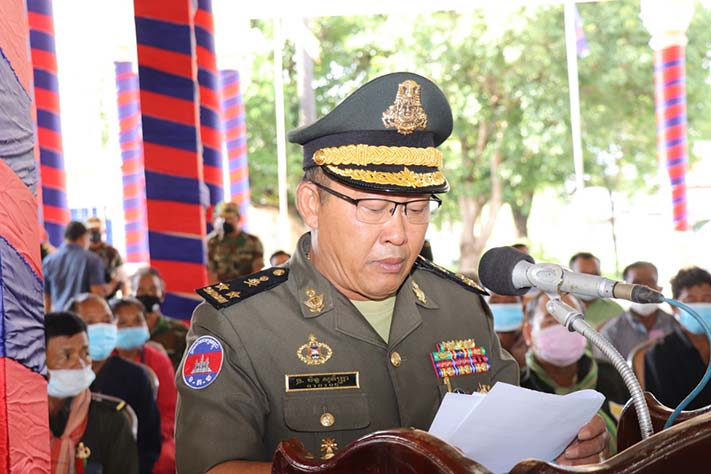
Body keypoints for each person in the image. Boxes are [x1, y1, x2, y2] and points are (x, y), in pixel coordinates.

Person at [174, 72, 608, 473]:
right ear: (311, 204)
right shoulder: (239, 324)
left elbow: (512, 441)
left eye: (417, 209)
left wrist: (556, 450)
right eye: (373, 207)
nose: (399, 234)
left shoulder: (461, 307)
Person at [520, 292, 629, 453]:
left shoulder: (612, 373)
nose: (563, 328)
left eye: (572, 321)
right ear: (528, 333)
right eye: (551, 321)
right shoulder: (519, 387)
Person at [68, 293, 162, 474]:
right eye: (90, 322)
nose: (102, 329)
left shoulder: (136, 377)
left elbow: (149, 445)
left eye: (107, 320)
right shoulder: (60, 378)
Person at [46, 311, 138, 473]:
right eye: (67, 356)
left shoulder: (111, 420)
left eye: (85, 353)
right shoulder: (17, 419)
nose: (81, 363)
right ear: (39, 361)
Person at [113, 297, 177, 474]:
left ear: (146, 324)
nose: (131, 327)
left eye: (137, 321)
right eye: (123, 323)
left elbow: (169, 411)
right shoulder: (104, 360)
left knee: (165, 459)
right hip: (111, 436)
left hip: (154, 435)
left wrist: (149, 437)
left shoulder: (158, 361)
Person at [644, 266, 711, 410]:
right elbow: (665, 410)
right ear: (674, 307)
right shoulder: (660, 353)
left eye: (707, 299)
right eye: (690, 300)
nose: (699, 306)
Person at [596, 261, 677, 359]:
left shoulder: (675, 326)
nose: (645, 290)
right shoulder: (610, 332)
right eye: (637, 284)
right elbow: (606, 367)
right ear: (624, 290)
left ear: (659, 288)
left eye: (650, 282)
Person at [42, 221, 107, 312]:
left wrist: (48, 318)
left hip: (59, 316)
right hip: (85, 317)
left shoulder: (48, 261)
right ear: (83, 237)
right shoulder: (92, 259)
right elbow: (97, 294)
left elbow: (46, 297)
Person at [132, 267, 189, 370]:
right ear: (133, 294)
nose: (148, 294)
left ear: (162, 295)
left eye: (153, 289)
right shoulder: (124, 332)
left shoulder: (181, 331)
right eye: (141, 290)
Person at [206, 202, 264, 283]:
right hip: (221, 287)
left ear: (238, 218)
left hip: (248, 286)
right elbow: (209, 272)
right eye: (221, 218)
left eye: (229, 218)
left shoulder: (253, 241)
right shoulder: (212, 242)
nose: (224, 222)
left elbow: (257, 270)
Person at [569, 252, 624, 328]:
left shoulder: (616, 311)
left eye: (595, 274)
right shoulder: (557, 307)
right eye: (584, 275)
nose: (591, 279)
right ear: (570, 276)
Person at [86, 216, 128, 298]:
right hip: (86, 298)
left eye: (97, 231)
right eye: (91, 231)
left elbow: (122, 278)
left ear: (103, 232)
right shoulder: (82, 252)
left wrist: (125, 299)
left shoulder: (112, 252)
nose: (94, 234)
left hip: (109, 297)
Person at [488, 292, 527, 368]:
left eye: (511, 301)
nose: (502, 307)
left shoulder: (534, 343)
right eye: (495, 302)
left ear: (523, 308)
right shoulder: (478, 344)